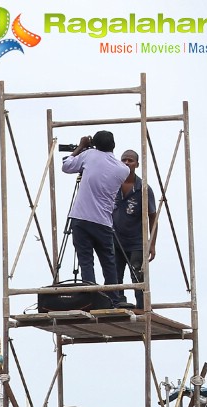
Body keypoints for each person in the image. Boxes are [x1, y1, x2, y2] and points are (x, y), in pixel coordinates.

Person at [61, 129, 127, 308]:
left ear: (94, 145)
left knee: (85, 260)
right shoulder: (123, 169)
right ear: (113, 146)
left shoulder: (89, 155)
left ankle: (91, 297)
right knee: (108, 262)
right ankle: (114, 298)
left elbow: (66, 165)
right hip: (103, 222)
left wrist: (81, 147)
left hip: (80, 218)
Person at [113, 147, 159, 309]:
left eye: (130, 160)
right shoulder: (112, 185)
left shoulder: (143, 188)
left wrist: (151, 243)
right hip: (115, 240)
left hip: (136, 242)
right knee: (114, 275)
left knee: (138, 275)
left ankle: (142, 308)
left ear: (137, 164)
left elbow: (153, 217)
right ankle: (118, 303)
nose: (126, 163)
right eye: (124, 160)